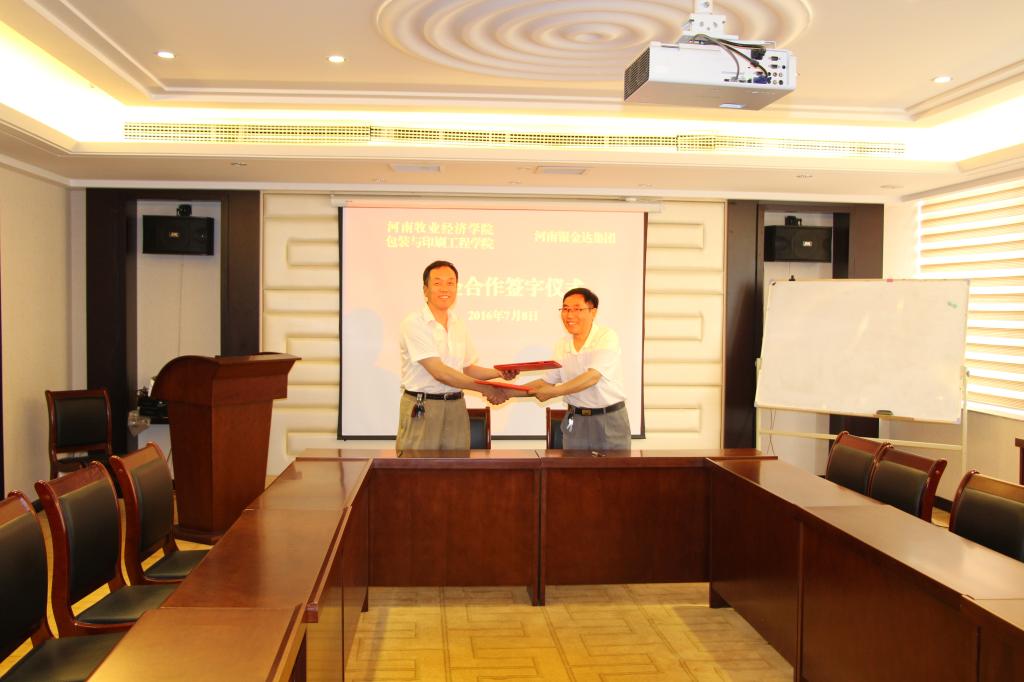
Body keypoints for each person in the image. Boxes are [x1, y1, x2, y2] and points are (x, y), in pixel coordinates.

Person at [397, 260, 517, 450]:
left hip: (456, 407)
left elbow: (467, 368)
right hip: (424, 407)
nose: (445, 288)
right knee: (419, 466)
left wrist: (499, 373)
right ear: (425, 289)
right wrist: (486, 389)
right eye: (437, 283)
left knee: (458, 465)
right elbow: (439, 372)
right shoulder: (414, 323)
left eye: (450, 283)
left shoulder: (457, 323)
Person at [527, 287, 630, 450]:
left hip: (608, 418)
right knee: (572, 466)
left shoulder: (606, 336)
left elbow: (592, 377)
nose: (569, 315)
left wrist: (554, 392)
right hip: (574, 419)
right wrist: (505, 392)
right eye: (565, 309)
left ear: (593, 312)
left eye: (576, 309)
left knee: (612, 467)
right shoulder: (562, 344)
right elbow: (546, 382)